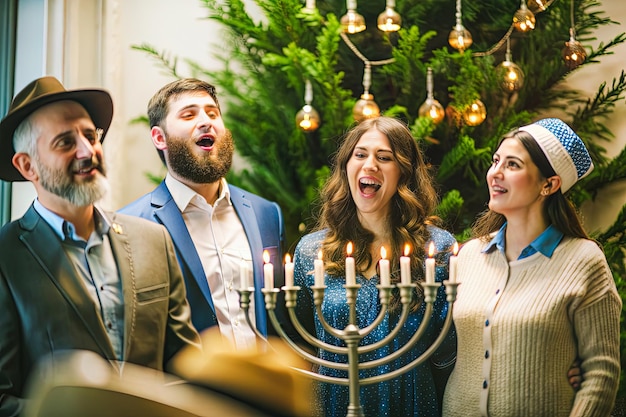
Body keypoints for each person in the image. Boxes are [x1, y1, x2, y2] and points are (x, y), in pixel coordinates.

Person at [0, 76, 201, 416]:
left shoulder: (154, 240)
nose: (87, 151)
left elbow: (186, 366)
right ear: (27, 165)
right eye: (65, 142)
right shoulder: (6, 257)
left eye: (91, 136)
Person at [442, 118, 621, 416]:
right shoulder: (469, 256)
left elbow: (601, 373)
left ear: (549, 184)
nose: (495, 173)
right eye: (496, 161)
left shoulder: (584, 261)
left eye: (512, 165)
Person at [293, 116, 457, 416]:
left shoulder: (437, 249)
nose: (370, 165)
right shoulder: (312, 251)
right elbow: (300, 339)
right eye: (360, 154)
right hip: (334, 403)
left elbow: (448, 353)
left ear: (403, 173)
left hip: (412, 403)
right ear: (346, 166)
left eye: (384, 157)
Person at [120, 78, 285, 348]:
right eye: (189, 114)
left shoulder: (266, 214)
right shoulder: (132, 226)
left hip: (265, 385)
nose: (206, 121)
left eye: (212, 113)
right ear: (160, 138)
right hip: (189, 388)